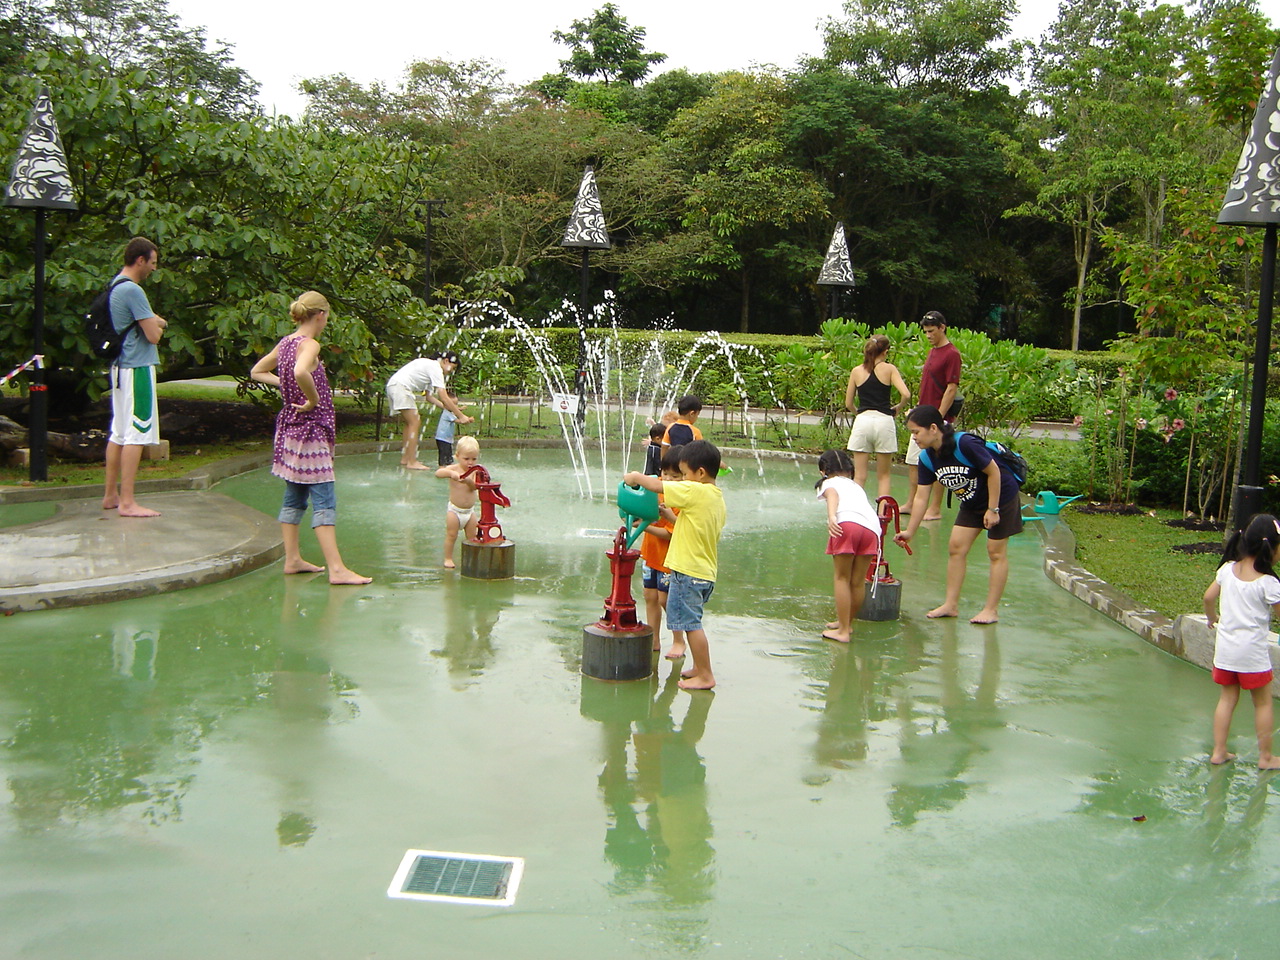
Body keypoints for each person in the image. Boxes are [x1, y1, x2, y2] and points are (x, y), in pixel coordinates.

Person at [250, 291, 371, 585]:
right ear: (321, 316)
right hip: (311, 432)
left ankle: (292, 559)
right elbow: (301, 370)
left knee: (295, 495)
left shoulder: (286, 343)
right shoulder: (310, 344)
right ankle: (337, 570)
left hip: (291, 431)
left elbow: (257, 371)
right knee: (324, 498)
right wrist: (312, 398)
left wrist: (286, 384)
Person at [893, 405, 1021, 624]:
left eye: (916, 432)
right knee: (956, 547)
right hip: (972, 501)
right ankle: (950, 605)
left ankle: (991, 610)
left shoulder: (964, 444)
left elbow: (994, 472)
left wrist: (993, 509)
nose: (913, 438)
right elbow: (922, 497)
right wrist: (910, 531)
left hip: (1001, 496)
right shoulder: (926, 458)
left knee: (995, 552)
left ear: (933, 428)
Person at [623, 439, 726, 691]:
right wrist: (671, 518)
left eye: (685, 475)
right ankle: (699, 668)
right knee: (692, 621)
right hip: (704, 572)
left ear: (700, 473)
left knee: (691, 625)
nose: (680, 481)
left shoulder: (695, 490)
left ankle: (706, 675)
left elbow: (658, 484)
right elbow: (697, 530)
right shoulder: (716, 498)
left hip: (688, 572)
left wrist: (636, 476)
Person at [1202, 514, 1280, 769]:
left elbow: (1208, 597)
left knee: (1226, 699)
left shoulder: (1227, 570)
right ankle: (1266, 758)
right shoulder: (1268, 583)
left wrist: (1212, 618)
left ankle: (1218, 751)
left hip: (1225, 652)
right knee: (1263, 703)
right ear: (1271, 550)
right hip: (1252, 656)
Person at [102, 237, 167, 518]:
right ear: (140, 260)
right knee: (137, 432)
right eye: (152, 262)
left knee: (119, 432)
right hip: (137, 367)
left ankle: (111, 495)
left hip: (119, 367)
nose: (153, 268)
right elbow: (153, 335)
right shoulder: (134, 291)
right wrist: (159, 325)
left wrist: (154, 320)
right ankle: (128, 502)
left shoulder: (116, 285)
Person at [816, 450, 883, 643]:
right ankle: (846, 623)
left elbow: (833, 495)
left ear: (823, 470)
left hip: (847, 524)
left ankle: (843, 632)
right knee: (857, 581)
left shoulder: (828, 482)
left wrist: (832, 516)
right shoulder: (856, 486)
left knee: (841, 578)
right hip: (871, 528)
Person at [904, 312, 961, 520]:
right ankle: (912, 502)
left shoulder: (951, 353)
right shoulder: (933, 351)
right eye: (926, 331)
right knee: (914, 461)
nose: (928, 335)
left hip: (937, 419)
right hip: (922, 414)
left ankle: (935, 508)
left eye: (931, 331)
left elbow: (951, 388)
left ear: (942, 327)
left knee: (939, 463)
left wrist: (938, 417)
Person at [844, 335, 911, 500]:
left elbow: (848, 403)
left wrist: (859, 413)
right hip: (884, 421)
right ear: (886, 351)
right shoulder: (889, 369)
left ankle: (855, 511)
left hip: (863, 421)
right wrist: (898, 408)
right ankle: (883, 514)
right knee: (884, 475)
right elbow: (906, 394)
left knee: (859, 476)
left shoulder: (857, 371)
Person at [386, 352, 473, 470]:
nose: (451, 371)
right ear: (446, 361)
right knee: (415, 422)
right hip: (401, 387)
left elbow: (429, 397)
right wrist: (461, 416)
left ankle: (406, 458)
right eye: (453, 368)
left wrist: (453, 409)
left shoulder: (429, 366)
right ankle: (412, 461)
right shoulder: (436, 368)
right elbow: (443, 396)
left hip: (394, 385)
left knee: (409, 423)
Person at [638, 446, 685, 659]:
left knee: (666, 599)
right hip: (650, 553)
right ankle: (653, 638)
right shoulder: (656, 491)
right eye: (665, 474)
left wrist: (643, 526)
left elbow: (670, 534)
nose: (668, 479)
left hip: (669, 558)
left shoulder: (682, 501)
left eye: (675, 476)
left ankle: (678, 639)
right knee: (649, 595)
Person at [435, 435, 481, 569]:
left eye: (473, 459)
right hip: (455, 511)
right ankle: (448, 558)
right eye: (466, 459)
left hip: (469, 512)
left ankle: (472, 557)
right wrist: (450, 474)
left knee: (472, 537)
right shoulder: (454, 469)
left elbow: (475, 487)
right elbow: (438, 473)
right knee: (451, 535)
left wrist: (468, 481)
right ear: (457, 456)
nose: (470, 462)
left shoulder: (475, 472)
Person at [435, 390, 463, 466]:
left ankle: (449, 463)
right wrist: (467, 420)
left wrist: (460, 409)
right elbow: (458, 420)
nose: (455, 407)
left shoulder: (449, 411)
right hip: (442, 438)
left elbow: (455, 411)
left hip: (446, 438)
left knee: (448, 451)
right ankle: (442, 466)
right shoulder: (447, 414)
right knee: (443, 452)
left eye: (456, 404)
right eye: (453, 405)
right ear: (445, 405)